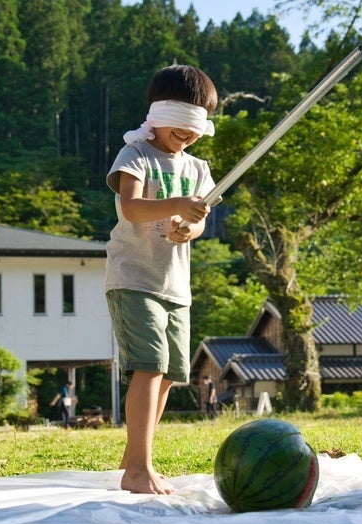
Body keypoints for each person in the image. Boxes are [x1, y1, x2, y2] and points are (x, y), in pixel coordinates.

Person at [105, 64, 218, 495]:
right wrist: (176, 203)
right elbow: (132, 208)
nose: (187, 136)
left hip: (176, 284)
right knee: (148, 366)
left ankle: (136, 455)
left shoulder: (198, 168)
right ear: (157, 113)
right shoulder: (135, 155)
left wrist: (190, 227)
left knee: (170, 373)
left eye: (195, 129)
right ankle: (138, 469)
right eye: (181, 126)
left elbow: (200, 221)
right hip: (134, 277)